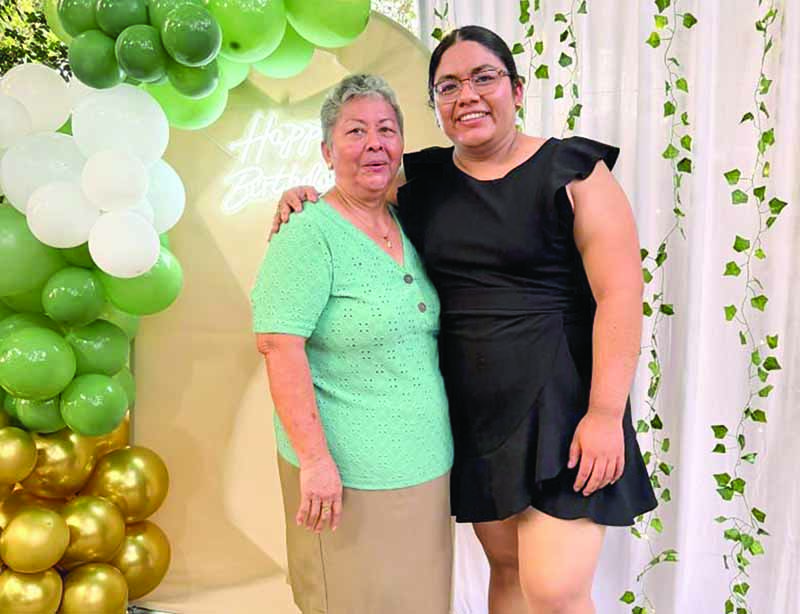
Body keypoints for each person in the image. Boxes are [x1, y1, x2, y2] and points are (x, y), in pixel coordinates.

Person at [274, 25, 658, 614]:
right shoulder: (423, 181)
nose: (467, 95)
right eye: (448, 86)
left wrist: (605, 413)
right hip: (476, 412)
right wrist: (300, 196)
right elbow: (355, 195)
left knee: (555, 589)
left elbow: (622, 295)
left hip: (565, 403)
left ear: (517, 90)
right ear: (435, 105)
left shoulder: (575, 171)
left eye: (484, 78)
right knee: (506, 571)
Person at [250, 74, 454, 614]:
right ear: (327, 150)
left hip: (426, 468)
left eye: (386, 130)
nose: (374, 144)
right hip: (346, 475)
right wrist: (315, 462)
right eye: (355, 131)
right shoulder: (307, 233)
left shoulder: (410, 222)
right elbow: (278, 346)